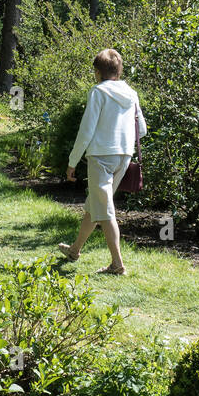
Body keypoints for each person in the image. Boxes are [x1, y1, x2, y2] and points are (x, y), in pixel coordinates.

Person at [57, 48, 146, 276]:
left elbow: (86, 131)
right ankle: (75, 250)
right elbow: (142, 130)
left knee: (105, 211)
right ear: (118, 70)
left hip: (100, 157)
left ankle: (117, 265)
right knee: (95, 204)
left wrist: (72, 161)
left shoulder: (97, 92)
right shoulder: (131, 93)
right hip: (124, 156)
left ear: (98, 72)